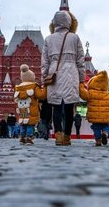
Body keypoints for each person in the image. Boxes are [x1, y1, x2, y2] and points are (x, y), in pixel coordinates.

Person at [41, 10, 85, 146]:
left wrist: (44, 76)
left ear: (54, 23)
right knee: (69, 107)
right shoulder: (74, 37)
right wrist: (82, 79)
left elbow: (45, 61)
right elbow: (80, 60)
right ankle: (67, 137)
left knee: (56, 107)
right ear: (69, 22)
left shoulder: (48, 39)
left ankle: (58, 135)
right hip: (71, 73)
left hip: (54, 73)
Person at [14, 64, 46, 145]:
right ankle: (29, 138)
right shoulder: (34, 86)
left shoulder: (18, 87)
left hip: (22, 110)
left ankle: (22, 138)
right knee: (30, 125)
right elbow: (41, 95)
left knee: (23, 124)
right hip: (31, 110)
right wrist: (45, 88)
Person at [79, 71, 109, 146]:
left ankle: (98, 141)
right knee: (105, 127)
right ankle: (105, 133)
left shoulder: (91, 93)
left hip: (95, 117)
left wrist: (80, 86)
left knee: (96, 128)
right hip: (105, 117)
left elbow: (83, 95)